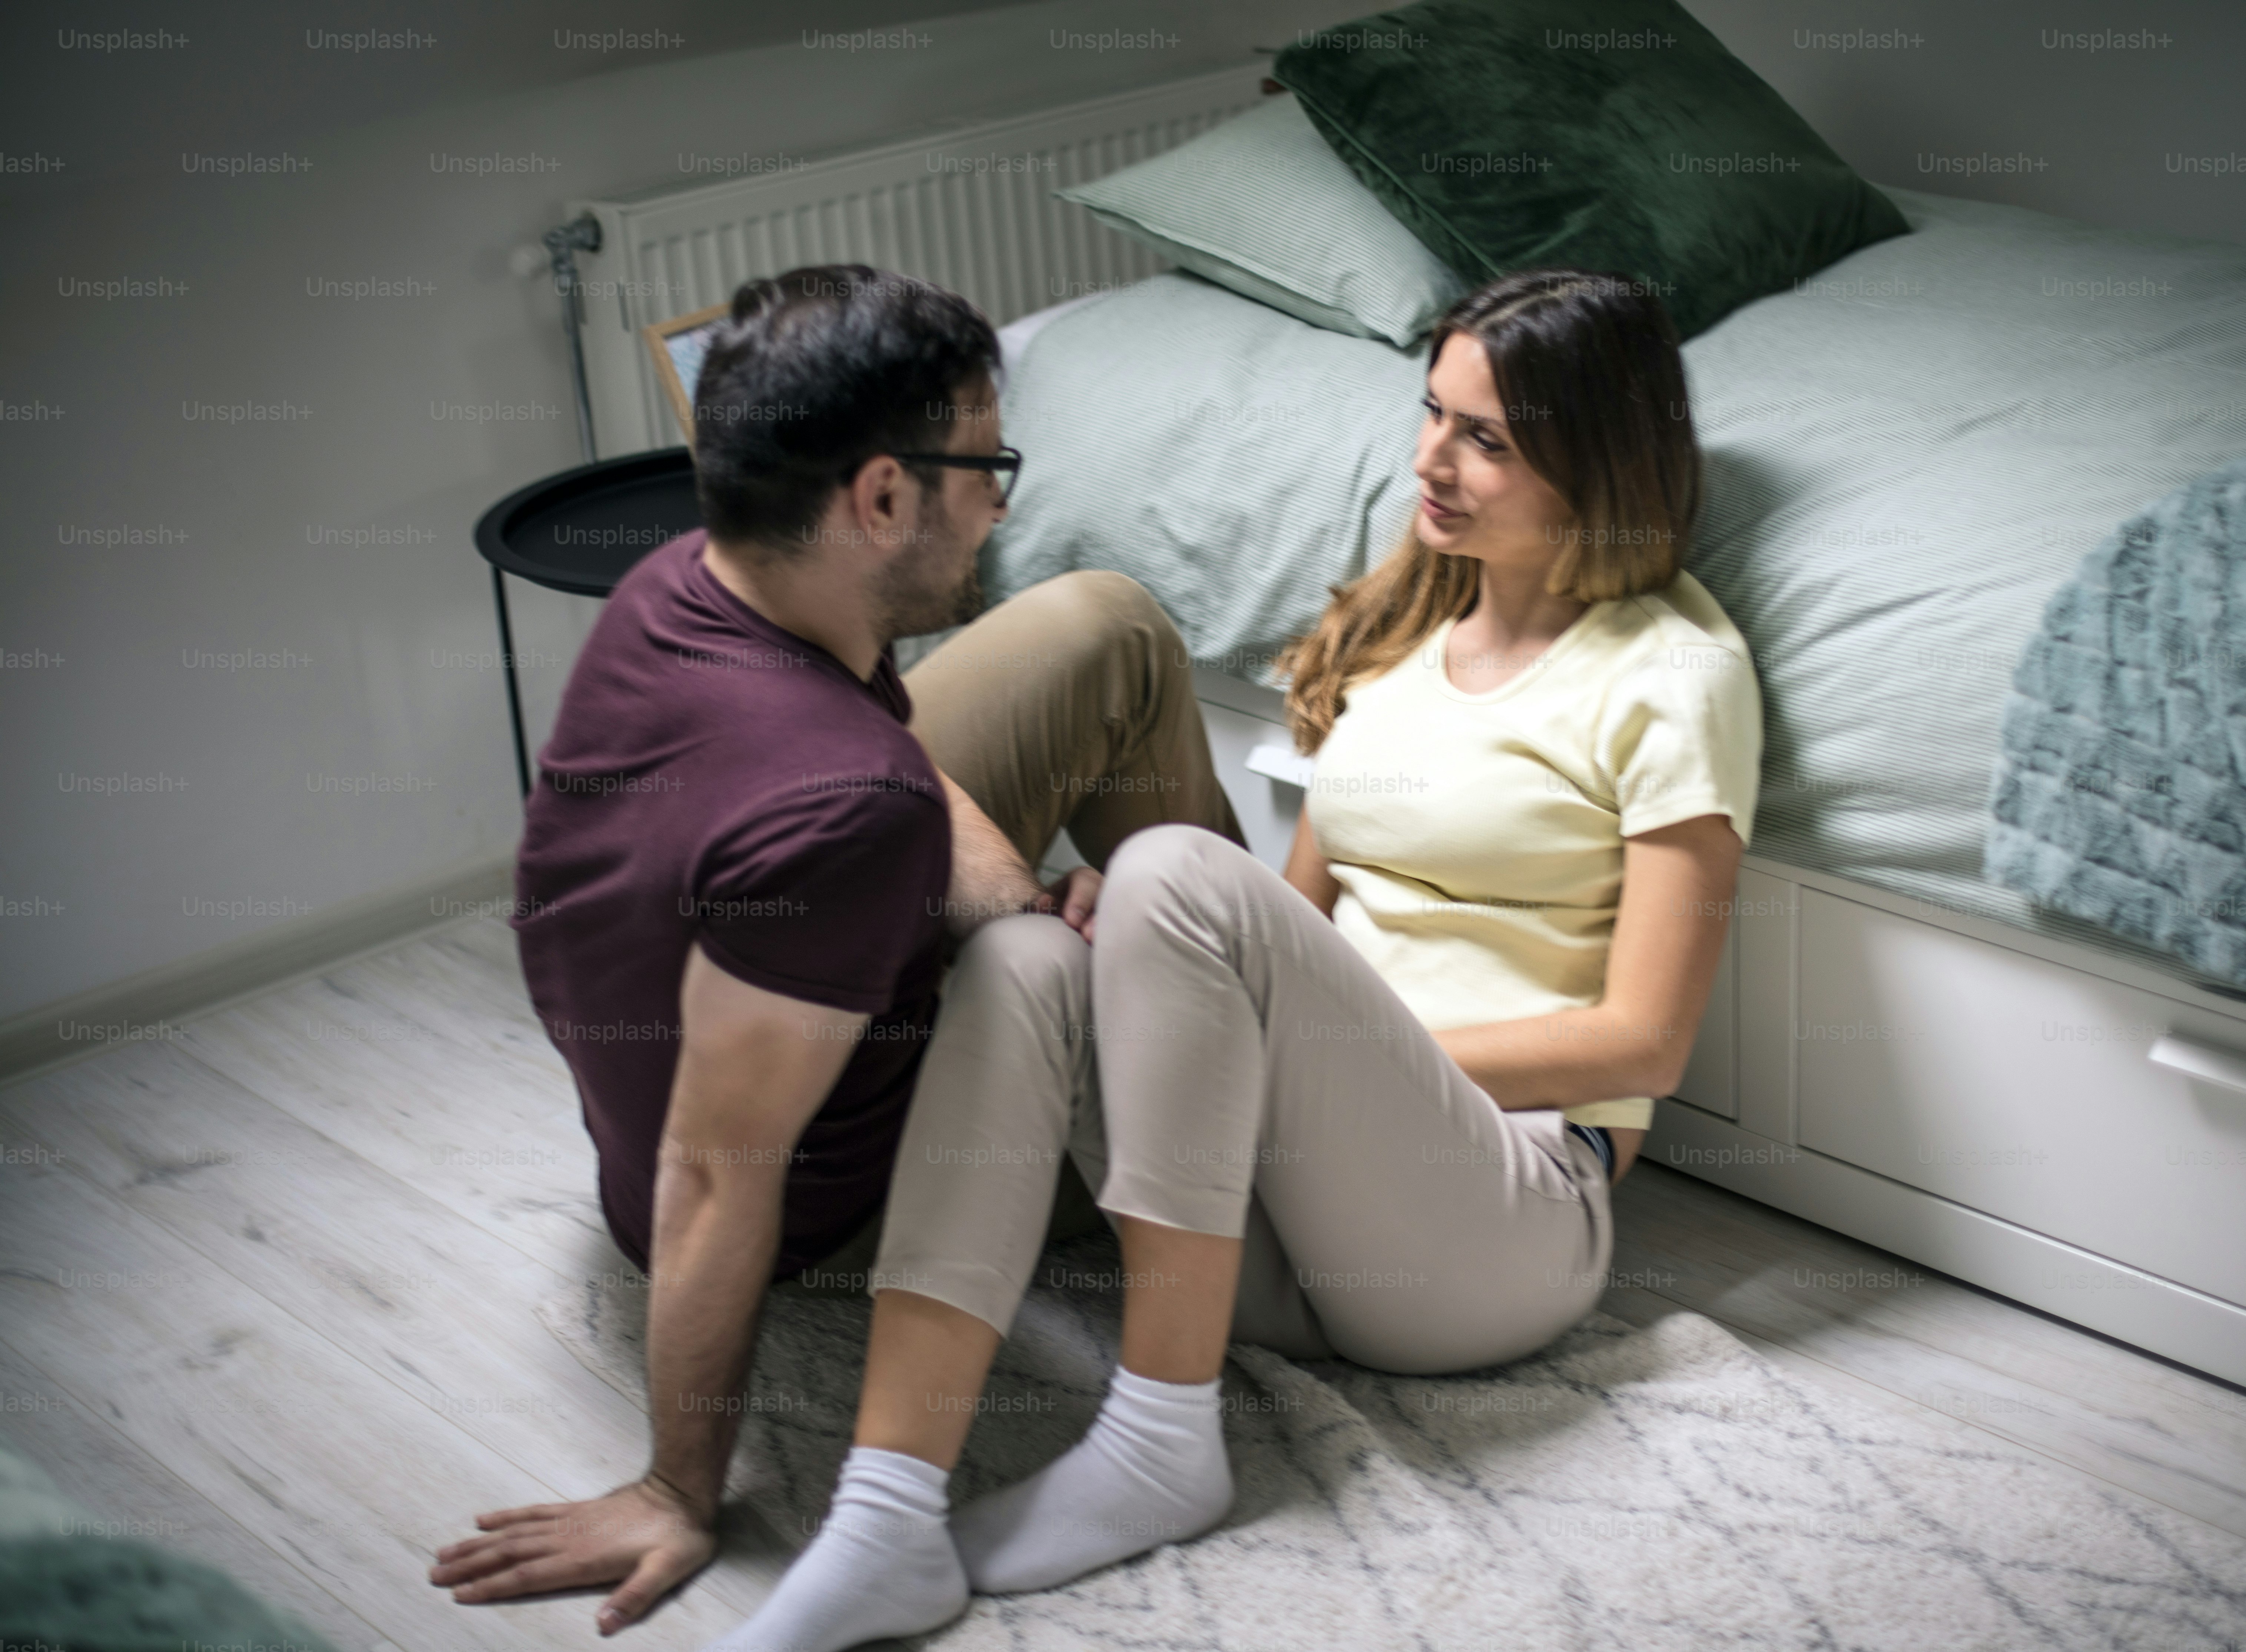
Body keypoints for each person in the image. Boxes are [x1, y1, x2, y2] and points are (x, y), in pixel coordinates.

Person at [691, 267, 1763, 1652]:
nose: (1432, 460)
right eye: (1432, 413)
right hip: (1292, 1236)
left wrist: (1324, 1049)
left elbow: (1642, 1045)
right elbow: (1296, 934)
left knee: (1172, 873)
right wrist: (1155, 960)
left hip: (1500, 1224)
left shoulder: (1674, 672)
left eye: (1486, 437)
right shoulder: (1407, 635)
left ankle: (1160, 1441)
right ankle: (886, 1513)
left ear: (1601, 454)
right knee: (1029, 950)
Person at [426, 263, 1244, 1633]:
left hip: (696, 1051)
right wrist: (680, 1488)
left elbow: (891, 755)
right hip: (835, 1218)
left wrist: (1014, 896)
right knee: (1084, 981)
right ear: (878, 497)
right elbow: (713, 1166)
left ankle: (1195, 939)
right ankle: (1242, 1051)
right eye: (986, 467)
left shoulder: (703, 576)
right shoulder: (843, 811)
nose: (1002, 500)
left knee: (1108, 623)